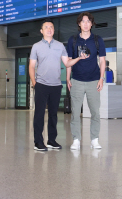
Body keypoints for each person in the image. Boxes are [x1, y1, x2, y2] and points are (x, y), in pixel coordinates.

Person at [28, 19, 85, 152]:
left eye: (51, 27)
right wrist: (34, 82)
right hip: (41, 84)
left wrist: (79, 58)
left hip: (56, 85)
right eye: (46, 27)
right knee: (39, 114)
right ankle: (38, 142)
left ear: (54, 30)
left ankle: (51, 140)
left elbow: (67, 63)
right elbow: (31, 66)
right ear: (41, 31)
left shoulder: (60, 46)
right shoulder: (36, 46)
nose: (49, 29)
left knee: (54, 114)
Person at [66, 12, 106, 151]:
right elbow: (69, 60)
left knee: (95, 112)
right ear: (79, 23)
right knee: (75, 112)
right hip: (76, 80)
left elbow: (102, 60)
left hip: (93, 80)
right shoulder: (73, 40)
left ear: (92, 24)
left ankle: (94, 140)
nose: (86, 24)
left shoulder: (97, 39)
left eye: (88, 21)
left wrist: (101, 78)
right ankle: (76, 140)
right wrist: (68, 78)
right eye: (83, 21)